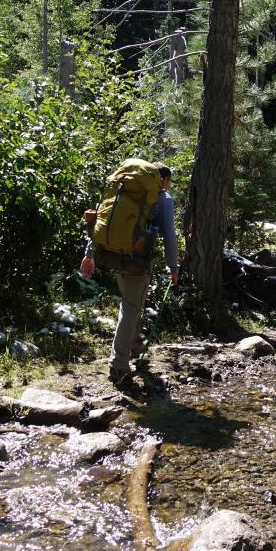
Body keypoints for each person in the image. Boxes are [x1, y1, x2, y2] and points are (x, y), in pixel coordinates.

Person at [80, 162, 180, 384]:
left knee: (132, 304)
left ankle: (134, 345)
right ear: (162, 180)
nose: (168, 185)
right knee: (131, 308)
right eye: (168, 181)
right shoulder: (162, 199)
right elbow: (170, 236)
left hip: (112, 255)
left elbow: (100, 221)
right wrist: (173, 267)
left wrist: (89, 254)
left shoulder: (121, 191)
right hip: (137, 261)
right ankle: (119, 365)